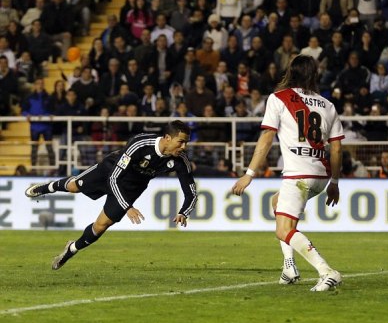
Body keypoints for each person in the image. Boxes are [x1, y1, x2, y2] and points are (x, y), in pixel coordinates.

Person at [231, 55, 344, 292]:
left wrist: (249, 173)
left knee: (283, 229)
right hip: (321, 176)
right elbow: (336, 148)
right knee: (277, 202)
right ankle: (289, 266)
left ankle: (327, 271)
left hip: (298, 175)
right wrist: (334, 182)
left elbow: (266, 138)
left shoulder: (278, 99)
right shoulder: (328, 105)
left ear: (290, 72)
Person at [25, 121, 197, 270]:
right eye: (181, 142)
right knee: (74, 186)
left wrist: (184, 212)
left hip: (132, 187)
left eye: (186, 143)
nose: (184, 147)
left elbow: (191, 192)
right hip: (111, 170)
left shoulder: (180, 160)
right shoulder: (140, 144)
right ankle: (48, 187)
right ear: (168, 138)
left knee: (101, 226)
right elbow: (114, 178)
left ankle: (71, 249)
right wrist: (127, 207)